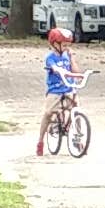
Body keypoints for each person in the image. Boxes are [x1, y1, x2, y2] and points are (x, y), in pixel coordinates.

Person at [38, 22, 79, 155]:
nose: (67, 48)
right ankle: (40, 140)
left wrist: (72, 59)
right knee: (48, 113)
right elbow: (54, 68)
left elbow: (75, 72)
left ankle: (78, 138)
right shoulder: (51, 58)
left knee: (76, 110)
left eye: (68, 45)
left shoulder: (67, 56)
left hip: (68, 89)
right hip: (55, 90)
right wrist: (57, 70)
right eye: (64, 45)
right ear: (55, 44)